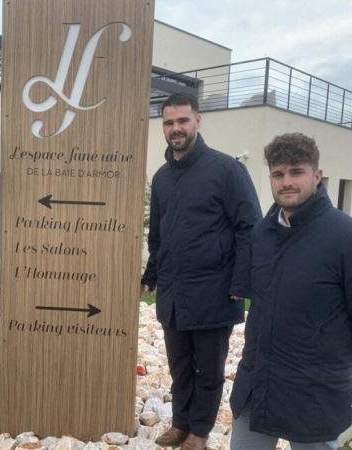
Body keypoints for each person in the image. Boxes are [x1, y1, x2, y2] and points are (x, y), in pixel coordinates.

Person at [229, 133, 352, 449]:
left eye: (296, 172)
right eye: (278, 174)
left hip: (314, 390)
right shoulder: (262, 235)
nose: (286, 181)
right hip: (257, 384)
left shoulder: (351, 239)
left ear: (316, 176)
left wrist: (330, 356)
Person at [141, 93, 262, 450]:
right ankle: (180, 422)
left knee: (208, 370)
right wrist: (151, 274)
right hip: (174, 294)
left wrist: (241, 281)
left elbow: (249, 227)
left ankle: (199, 432)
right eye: (169, 123)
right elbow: (158, 234)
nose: (176, 129)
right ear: (163, 127)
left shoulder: (226, 170)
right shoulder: (162, 178)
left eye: (183, 121)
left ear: (198, 121)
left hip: (215, 290)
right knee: (179, 367)